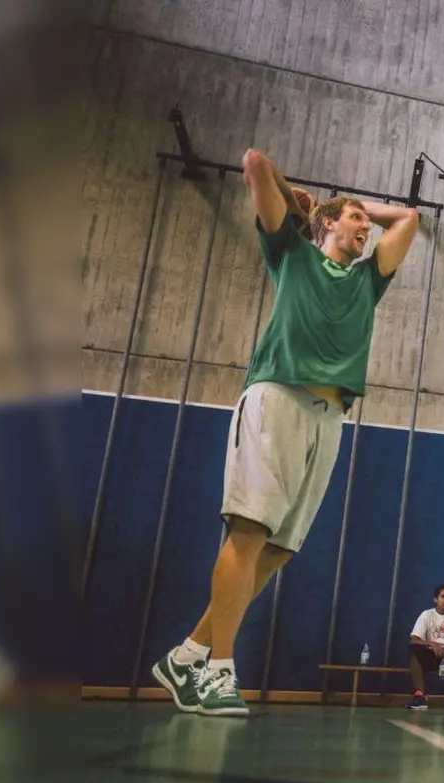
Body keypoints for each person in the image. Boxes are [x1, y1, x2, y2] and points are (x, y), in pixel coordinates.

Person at [152, 148, 421, 717]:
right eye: (353, 219)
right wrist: (302, 201)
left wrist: (355, 208)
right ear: (324, 224)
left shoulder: (368, 281)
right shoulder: (291, 253)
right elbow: (252, 162)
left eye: (364, 223)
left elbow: (410, 220)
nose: (364, 227)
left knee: (277, 551)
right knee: (248, 535)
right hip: (276, 396)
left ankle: (187, 654)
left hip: (330, 420)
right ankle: (219, 670)